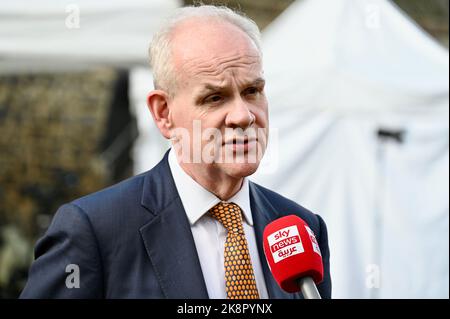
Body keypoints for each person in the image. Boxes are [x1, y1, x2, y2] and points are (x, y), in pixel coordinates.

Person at [20, 5, 331, 299]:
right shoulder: (94, 232)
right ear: (164, 113)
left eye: (253, 91)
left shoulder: (302, 228)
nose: (243, 116)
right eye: (215, 97)